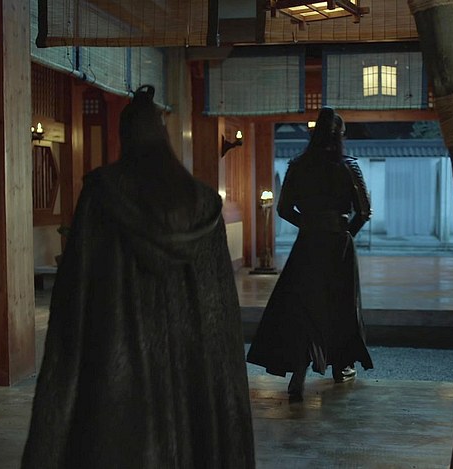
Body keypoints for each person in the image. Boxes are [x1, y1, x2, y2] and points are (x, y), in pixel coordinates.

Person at [22, 85, 255, 469]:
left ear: (125, 136)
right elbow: (220, 314)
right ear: (164, 136)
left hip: (118, 364)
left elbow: (74, 296)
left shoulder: (102, 194)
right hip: (192, 365)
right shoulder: (204, 204)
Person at [246, 107, 373, 402]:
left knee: (302, 306)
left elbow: (283, 209)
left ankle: (299, 373)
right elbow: (364, 211)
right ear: (340, 135)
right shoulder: (348, 166)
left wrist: (309, 225)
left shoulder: (298, 165)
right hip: (339, 245)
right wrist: (345, 233)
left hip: (308, 244)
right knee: (341, 305)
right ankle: (341, 366)